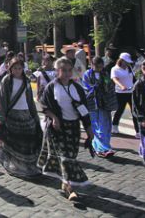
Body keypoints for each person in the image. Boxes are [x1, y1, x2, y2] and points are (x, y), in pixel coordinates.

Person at [37, 57, 94, 201]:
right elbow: (44, 106)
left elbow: (84, 110)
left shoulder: (77, 88)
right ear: (57, 71)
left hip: (73, 128)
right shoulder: (51, 87)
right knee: (65, 158)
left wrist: (88, 129)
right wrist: (54, 118)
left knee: (71, 156)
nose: (68, 73)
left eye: (69, 70)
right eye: (64, 70)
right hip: (58, 129)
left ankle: (64, 183)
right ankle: (70, 188)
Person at [0, 57, 42, 178]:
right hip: (12, 115)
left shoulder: (26, 81)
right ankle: (15, 166)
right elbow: (2, 99)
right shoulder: (6, 81)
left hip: (25, 113)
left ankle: (28, 166)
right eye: (15, 68)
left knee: (27, 141)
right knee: (14, 142)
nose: (17, 70)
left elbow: (30, 100)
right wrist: (1, 117)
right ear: (11, 68)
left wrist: (35, 115)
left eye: (19, 68)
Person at [81, 56, 117, 158]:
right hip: (92, 103)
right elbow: (85, 87)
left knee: (105, 125)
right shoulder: (87, 74)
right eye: (97, 67)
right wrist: (95, 88)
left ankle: (103, 147)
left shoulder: (105, 74)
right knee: (96, 126)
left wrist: (105, 88)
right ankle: (102, 148)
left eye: (101, 67)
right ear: (92, 65)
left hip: (104, 104)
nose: (99, 69)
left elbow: (109, 87)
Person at [111, 53, 139, 136]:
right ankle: (114, 126)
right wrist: (121, 86)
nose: (127, 63)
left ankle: (137, 131)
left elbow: (133, 78)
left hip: (131, 92)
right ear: (121, 60)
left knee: (134, 111)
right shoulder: (115, 69)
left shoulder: (129, 68)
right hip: (120, 93)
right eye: (126, 61)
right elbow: (114, 79)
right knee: (120, 110)